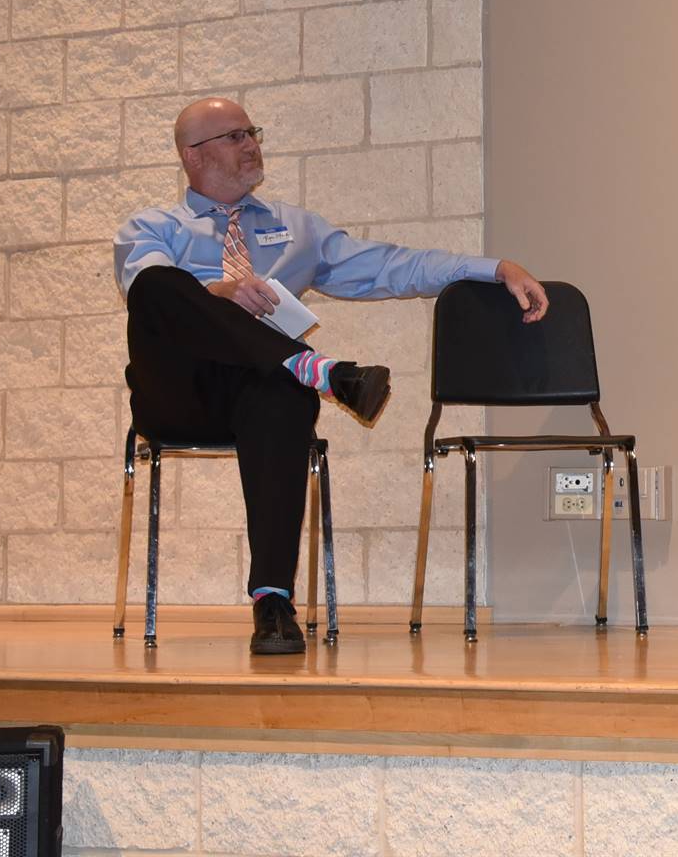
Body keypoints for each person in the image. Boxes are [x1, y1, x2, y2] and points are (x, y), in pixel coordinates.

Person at [114, 97, 548, 655]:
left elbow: (394, 265)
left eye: (254, 132)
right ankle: (318, 369)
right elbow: (144, 294)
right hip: (175, 393)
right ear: (192, 156)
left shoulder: (297, 230)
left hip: (254, 392)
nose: (252, 144)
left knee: (283, 397)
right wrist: (219, 292)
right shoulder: (151, 227)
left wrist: (494, 268)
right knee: (159, 285)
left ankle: (272, 602)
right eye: (235, 136)